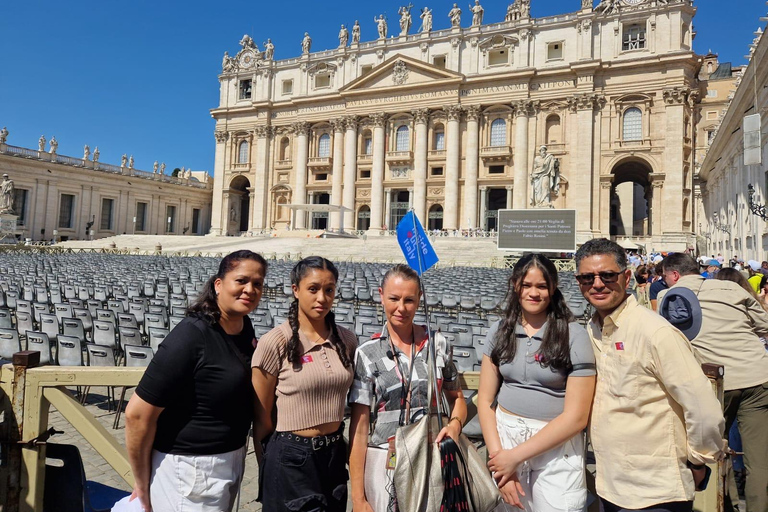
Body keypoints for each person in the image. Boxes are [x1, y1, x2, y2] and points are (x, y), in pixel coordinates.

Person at [575, 238, 724, 512]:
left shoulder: (657, 333)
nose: (597, 284)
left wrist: (698, 461)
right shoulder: (594, 329)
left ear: (627, 276)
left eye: (607, 275)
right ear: (578, 282)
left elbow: (703, 408)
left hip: (656, 490)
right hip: (611, 484)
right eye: (587, 278)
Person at [125, 250, 267, 512]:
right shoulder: (191, 335)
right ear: (218, 284)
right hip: (190, 470)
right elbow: (136, 415)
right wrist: (141, 483)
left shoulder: (244, 327)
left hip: (231, 458)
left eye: (257, 284)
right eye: (241, 281)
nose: (250, 289)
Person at [477, 254, 596, 510]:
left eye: (541, 286)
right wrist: (501, 463)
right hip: (505, 441)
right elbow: (485, 401)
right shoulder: (499, 331)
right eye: (527, 285)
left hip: (555, 449)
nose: (534, 293)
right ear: (515, 285)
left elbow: (576, 417)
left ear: (553, 288)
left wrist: (513, 458)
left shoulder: (574, 336)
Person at [348, 264, 466, 512]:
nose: (401, 308)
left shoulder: (438, 344)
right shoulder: (367, 354)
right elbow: (358, 431)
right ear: (381, 295)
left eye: (409, 300)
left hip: (432, 459)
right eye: (394, 298)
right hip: (385, 463)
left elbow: (457, 398)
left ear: (419, 300)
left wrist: (454, 426)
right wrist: (358, 499)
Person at [659, 253, 768, 512]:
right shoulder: (731, 287)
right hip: (757, 375)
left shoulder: (669, 296)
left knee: (710, 453)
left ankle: (721, 505)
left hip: (716, 384)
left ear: (674, 275)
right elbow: (764, 325)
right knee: (760, 461)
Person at [252, 256, 358, 512]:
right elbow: (262, 417)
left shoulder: (347, 340)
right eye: (313, 289)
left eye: (329, 290)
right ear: (296, 289)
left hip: (334, 453)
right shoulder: (275, 341)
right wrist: (269, 465)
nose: (322, 298)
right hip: (291, 456)